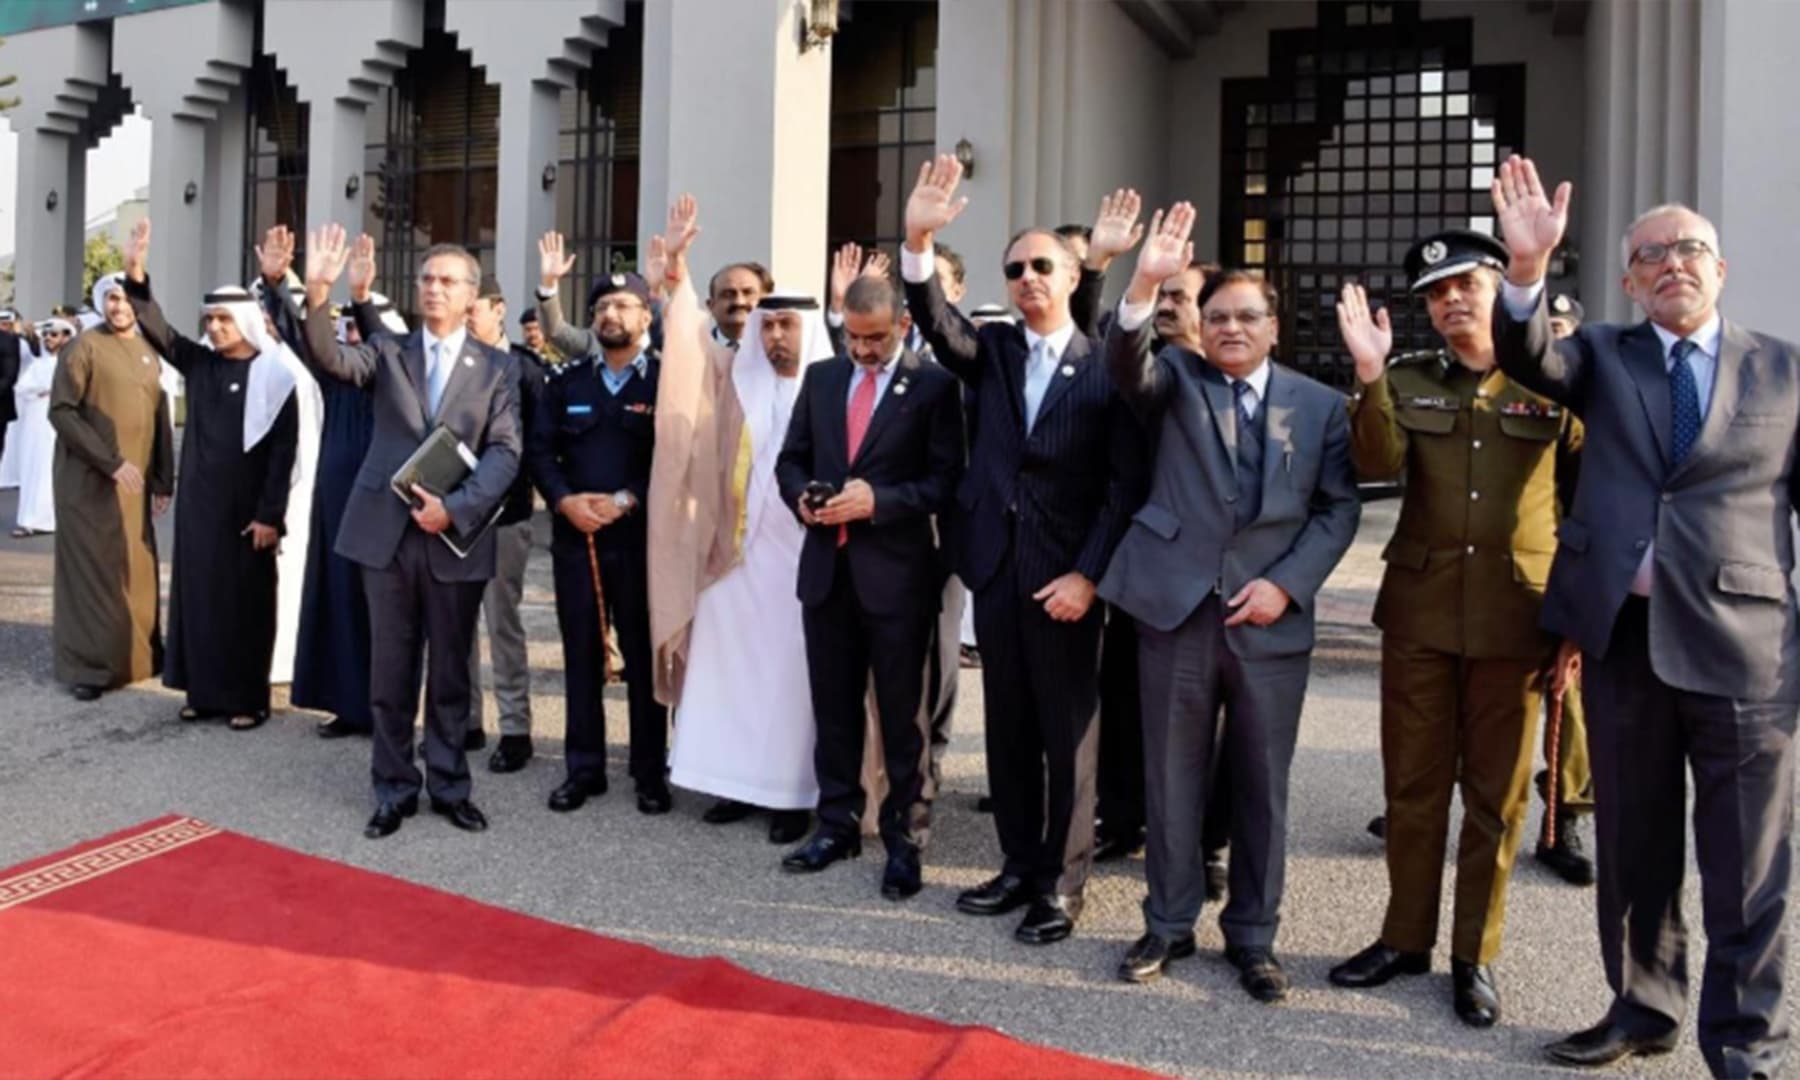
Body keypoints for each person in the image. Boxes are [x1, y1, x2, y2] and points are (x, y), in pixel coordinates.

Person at [1491, 155, 1800, 1077]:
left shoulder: (1784, 371)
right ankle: (1644, 1007)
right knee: (1633, 843)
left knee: (1748, 864)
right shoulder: (1601, 357)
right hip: (1626, 645)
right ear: (1629, 278)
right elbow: (1526, 355)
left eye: (1691, 249)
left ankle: (1746, 1040)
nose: (1673, 263)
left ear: (1720, 268)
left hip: (1750, 652)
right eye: (1652, 253)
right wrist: (1525, 273)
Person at [1102, 202, 1359, 1000]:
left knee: (1260, 783)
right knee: (1170, 778)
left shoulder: (1319, 406)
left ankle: (1253, 936)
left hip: (1269, 618)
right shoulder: (1171, 378)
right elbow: (1124, 358)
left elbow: (1338, 507)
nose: (1232, 329)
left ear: (1274, 327)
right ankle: (1168, 923)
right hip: (1176, 612)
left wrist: (1288, 584)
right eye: (1217, 316)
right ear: (1201, 325)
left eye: (1249, 316)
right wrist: (1144, 280)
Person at [1325, 229, 1582, 1028]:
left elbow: (1588, 509)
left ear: (1500, 285)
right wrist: (1368, 372)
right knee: (1412, 786)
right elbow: (1374, 464)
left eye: (1466, 283)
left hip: (1520, 618)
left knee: (1497, 799)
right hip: (1421, 617)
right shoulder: (1406, 380)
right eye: (1436, 294)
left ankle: (1476, 953)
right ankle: (1405, 938)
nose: (1451, 302)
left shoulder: (1558, 379)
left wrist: (1575, 624)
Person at [901, 156, 1136, 945]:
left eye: (1043, 265)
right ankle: (1019, 865)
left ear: (1073, 276)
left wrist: (1089, 575)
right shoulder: (995, 351)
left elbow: (1120, 488)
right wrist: (919, 240)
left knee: (1068, 735)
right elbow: (937, 321)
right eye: (1016, 268)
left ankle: (1063, 887)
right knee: (1008, 728)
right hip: (996, 570)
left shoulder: (1108, 364)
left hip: (1067, 578)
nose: (1028, 277)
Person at [299, 224, 522, 840]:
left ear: (471, 296)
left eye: (447, 281)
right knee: (390, 670)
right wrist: (319, 291)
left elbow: (505, 453)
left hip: (454, 537)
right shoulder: (388, 352)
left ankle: (449, 785)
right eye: (426, 279)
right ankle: (393, 788)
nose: (433, 289)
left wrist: (455, 508)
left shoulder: (497, 369)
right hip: (386, 537)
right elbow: (329, 357)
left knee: (450, 672)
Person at [642, 198, 829, 845]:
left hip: (803, 560)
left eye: (786, 325)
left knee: (792, 680)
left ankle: (788, 796)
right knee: (729, 674)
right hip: (736, 556)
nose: (776, 336)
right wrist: (679, 271)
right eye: (768, 327)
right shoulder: (733, 376)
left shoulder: (829, 386)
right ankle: (730, 784)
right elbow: (691, 346)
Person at [775, 272, 963, 901]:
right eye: (853, 338)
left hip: (900, 579)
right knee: (833, 706)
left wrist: (878, 501)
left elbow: (945, 483)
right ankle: (836, 824)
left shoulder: (935, 387)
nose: (863, 350)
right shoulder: (823, 377)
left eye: (875, 338)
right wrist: (802, 496)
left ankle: (906, 840)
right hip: (827, 573)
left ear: (903, 326)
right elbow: (790, 458)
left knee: (904, 717)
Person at [120, 222, 301, 730]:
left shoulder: (275, 377)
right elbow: (159, 331)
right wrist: (136, 274)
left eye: (224, 318)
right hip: (201, 510)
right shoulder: (200, 365)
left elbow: (282, 455)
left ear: (244, 321)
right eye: (210, 319)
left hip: (249, 516)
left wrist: (271, 516)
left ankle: (248, 699)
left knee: (245, 606)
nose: (215, 327)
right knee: (199, 599)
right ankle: (204, 692)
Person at [1095, 258, 1224, 875]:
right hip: (1139, 562)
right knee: (1123, 700)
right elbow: (1111, 343)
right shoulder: (1156, 366)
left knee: (1213, 722)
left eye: (1181, 295)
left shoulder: (1237, 376)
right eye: (1161, 295)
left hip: (1215, 571)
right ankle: (1122, 820)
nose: (1168, 305)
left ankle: (1211, 842)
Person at [533, 236, 670, 814]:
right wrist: (563, 501)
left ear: (646, 315)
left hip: (639, 539)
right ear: (591, 321)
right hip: (576, 539)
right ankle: (583, 769)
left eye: (625, 307)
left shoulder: (665, 381)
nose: (613, 315)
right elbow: (540, 453)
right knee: (583, 654)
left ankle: (649, 771)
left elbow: (675, 458)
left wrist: (627, 499)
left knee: (641, 655)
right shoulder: (566, 382)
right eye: (603, 309)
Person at [254, 226, 382, 741]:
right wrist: (278, 283)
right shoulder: (333, 373)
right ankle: (347, 705)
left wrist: (359, 296)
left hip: (382, 510)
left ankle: (384, 709)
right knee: (337, 606)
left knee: (379, 613)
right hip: (334, 506)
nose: (348, 335)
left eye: (357, 326)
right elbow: (298, 332)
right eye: (343, 327)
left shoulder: (395, 368)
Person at [49, 272, 176, 700]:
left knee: (137, 570)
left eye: (124, 300)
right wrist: (110, 462)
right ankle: (90, 667)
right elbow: (62, 413)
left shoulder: (146, 351)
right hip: (88, 484)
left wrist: (162, 479)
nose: (118, 307)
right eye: (111, 299)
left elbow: (159, 416)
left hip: (134, 484)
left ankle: (141, 657)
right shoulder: (82, 347)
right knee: (93, 573)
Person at [452, 276, 547, 771]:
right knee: (457, 625)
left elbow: (534, 442)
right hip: (455, 517)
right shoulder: (453, 363)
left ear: (499, 309)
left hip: (506, 516)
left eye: (475, 309)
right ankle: (464, 721)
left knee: (501, 624)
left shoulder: (523, 367)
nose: (467, 317)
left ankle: (516, 728)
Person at [1533, 292, 1597, 886]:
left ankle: (1562, 817)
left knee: (1569, 703)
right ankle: (1413, 813)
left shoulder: (1585, 408)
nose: (1550, 339)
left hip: (1564, 565)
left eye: (1560, 328)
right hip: (1499, 570)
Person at [12, 319, 69, 537]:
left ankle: (49, 519)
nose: (48, 339)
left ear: (65, 337)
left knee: (50, 471)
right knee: (31, 468)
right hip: (33, 425)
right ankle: (29, 518)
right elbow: (22, 388)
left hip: (56, 425)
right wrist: (42, 390)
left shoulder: (70, 362)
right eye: (46, 335)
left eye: (53, 335)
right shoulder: (37, 364)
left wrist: (47, 391)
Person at [707, 262, 773, 350]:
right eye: (728, 294)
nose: (739, 302)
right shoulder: (692, 352)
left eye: (748, 293)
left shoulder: (781, 353)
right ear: (711, 306)